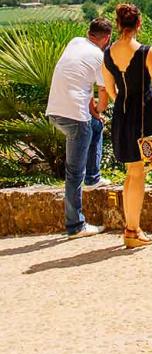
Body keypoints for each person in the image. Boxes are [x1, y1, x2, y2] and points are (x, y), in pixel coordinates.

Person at [102, 2, 152, 249]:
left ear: (118, 24)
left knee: (131, 172)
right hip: (143, 116)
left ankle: (132, 227)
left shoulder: (108, 54)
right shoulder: (146, 52)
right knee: (138, 173)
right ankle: (132, 230)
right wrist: (151, 106)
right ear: (138, 24)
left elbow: (110, 90)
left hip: (122, 114)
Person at [47, 18, 113, 239]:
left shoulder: (75, 42)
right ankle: (75, 225)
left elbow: (77, 83)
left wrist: (95, 115)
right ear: (107, 39)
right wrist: (101, 109)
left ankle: (93, 177)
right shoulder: (99, 57)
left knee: (95, 125)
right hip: (75, 118)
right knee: (74, 174)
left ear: (88, 33)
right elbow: (103, 92)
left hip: (55, 112)